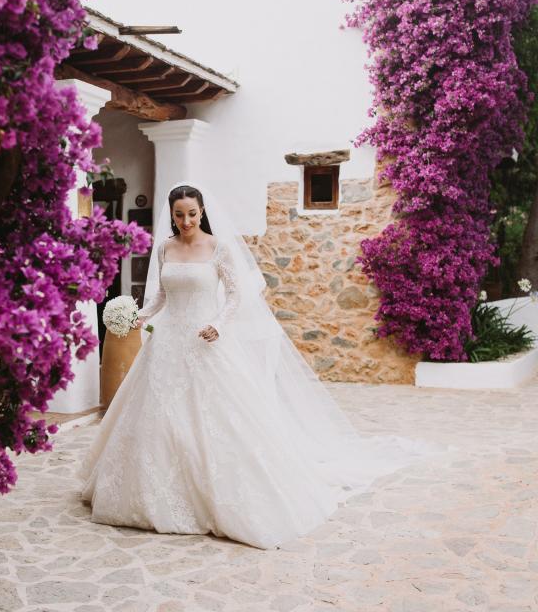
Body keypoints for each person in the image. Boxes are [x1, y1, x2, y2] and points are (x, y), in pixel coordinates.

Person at [78, 181, 434, 549]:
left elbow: (234, 295)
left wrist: (218, 322)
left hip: (205, 340)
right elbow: (161, 296)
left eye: (192, 214)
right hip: (167, 343)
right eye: (179, 214)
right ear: (171, 214)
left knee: (217, 420)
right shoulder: (164, 248)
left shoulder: (218, 248)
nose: (186, 221)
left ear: (202, 213)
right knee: (157, 417)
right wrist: (139, 316)